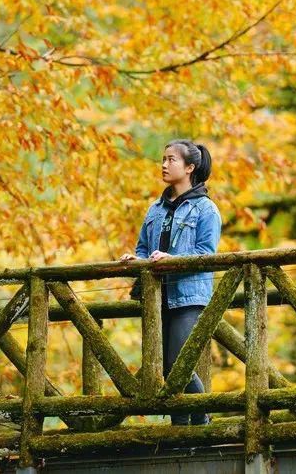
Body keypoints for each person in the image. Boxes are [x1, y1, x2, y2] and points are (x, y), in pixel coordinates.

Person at [121, 139, 221, 426]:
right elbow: (143, 248)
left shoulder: (206, 210)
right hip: (156, 297)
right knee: (165, 367)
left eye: (171, 160)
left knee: (180, 365)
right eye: (163, 159)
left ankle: (201, 422)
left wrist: (172, 259)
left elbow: (206, 254)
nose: (164, 165)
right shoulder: (155, 209)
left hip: (189, 296)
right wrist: (135, 260)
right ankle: (179, 430)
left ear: (190, 167)